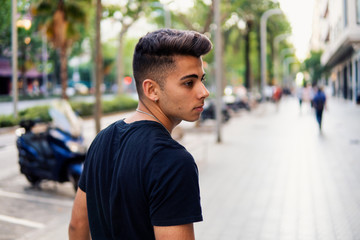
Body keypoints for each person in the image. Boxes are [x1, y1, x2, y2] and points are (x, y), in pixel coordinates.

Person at [68, 29, 212, 240]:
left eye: (202, 79)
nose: (203, 92)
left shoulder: (101, 139)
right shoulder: (172, 161)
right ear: (151, 90)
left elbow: (77, 225)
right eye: (189, 83)